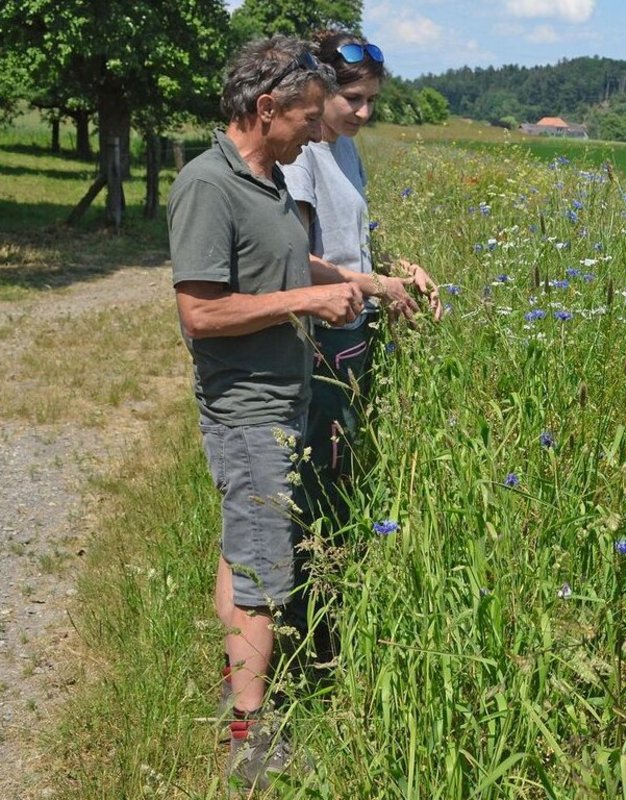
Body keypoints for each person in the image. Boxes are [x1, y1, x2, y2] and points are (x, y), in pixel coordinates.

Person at [167, 35, 407, 790]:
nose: (315, 130)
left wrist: (362, 283)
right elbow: (200, 313)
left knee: (247, 547)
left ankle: (235, 690)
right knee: (267, 566)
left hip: (282, 394)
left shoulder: (264, 178)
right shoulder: (209, 185)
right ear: (265, 108)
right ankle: (249, 730)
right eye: (304, 117)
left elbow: (288, 264)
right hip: (246, 405)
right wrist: (308, 300)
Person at [280, 29, 441, 533]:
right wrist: (378, 285)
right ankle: (311, 583)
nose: (363, 113)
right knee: (322, 467)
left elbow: (353, 243)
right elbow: (298, 260)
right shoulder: (302, 157)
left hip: (355, 329)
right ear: (320, 91)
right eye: (352, 99)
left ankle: (338, 565)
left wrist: (401, 270)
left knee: (347, 455)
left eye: (371, 100)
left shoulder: (346, 150)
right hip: (322, 334)